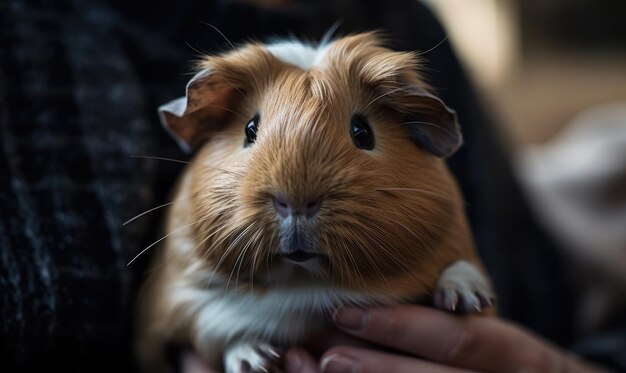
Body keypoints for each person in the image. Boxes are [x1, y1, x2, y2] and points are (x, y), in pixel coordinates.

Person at [1, 0, 622, 371]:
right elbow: (171, 314)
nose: (295, 194)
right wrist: (230, 343)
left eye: (360, 132)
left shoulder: (404, 20)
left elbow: (542, 303)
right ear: (206, 122)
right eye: (251, 132)